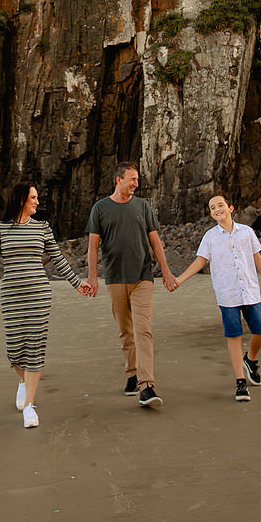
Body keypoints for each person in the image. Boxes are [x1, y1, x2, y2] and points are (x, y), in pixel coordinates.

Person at [0, 182, 92, 429]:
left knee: (35, 348)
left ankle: (29, 405)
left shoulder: (42, 228)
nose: (38, 202)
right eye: (33, 197)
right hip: (12, 295)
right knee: (14, 351)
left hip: (39, 294)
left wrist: (76, 283)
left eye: (37, 197)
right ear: (20, 200)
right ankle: (23, 382)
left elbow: (58, 260)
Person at [86, 162, 178, 407]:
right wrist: (92, 277)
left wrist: (166, 273)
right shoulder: (100, 208)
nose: (136, 183)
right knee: (125, 330)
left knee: (143, 329)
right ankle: (131, 374)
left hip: (142, 278)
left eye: (137, 179)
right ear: (119, 179)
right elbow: (93, 246)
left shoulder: (143, 207)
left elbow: (156, 242)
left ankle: (147, 385)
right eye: (132, 179)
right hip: (115, 278)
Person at [173, 193, 261, 401]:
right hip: (227, 295)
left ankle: (251, 360)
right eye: (213, 208)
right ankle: (240, 382)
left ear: (230, 208)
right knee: (234, 336)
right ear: (211, 214)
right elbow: (199, 262)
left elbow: (258, 260)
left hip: (250, 291)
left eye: (220, 205)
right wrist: (178, 280)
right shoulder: (210, 237)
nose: (217, 209)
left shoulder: (246, 233)